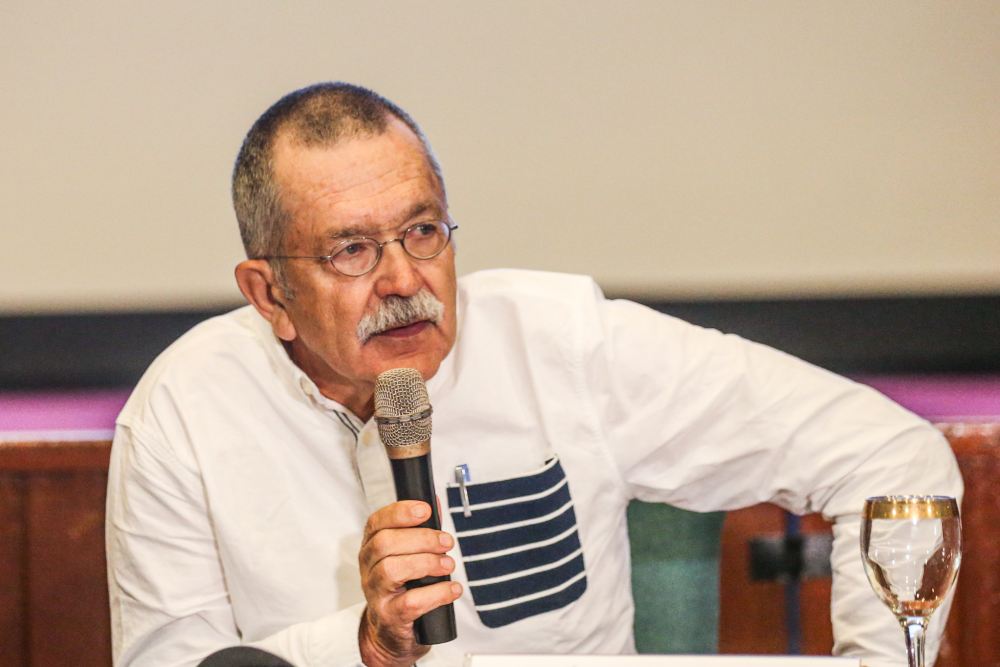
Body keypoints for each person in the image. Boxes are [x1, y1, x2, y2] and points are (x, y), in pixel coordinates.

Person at [105, 82, 962, 667]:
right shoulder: (184, 410)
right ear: (270, 293)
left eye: (424, 231)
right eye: (352, 250)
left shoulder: (565, 342)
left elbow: (894, 456)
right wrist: (364, 646)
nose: (404, 281)